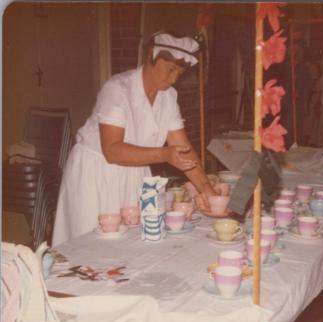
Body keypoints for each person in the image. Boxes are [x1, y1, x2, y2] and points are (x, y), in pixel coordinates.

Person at [52, 32, 216, 246]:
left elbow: (183, 149)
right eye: (171, 69)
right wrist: (164, 154)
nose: (174, 78)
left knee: (130, 247)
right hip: (96, 173)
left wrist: (209, 192)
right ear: (150, 57)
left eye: (180, 73)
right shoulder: (118, 89)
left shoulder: (168, 97)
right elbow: (112, 150)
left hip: (134, 172)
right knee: (91, 248)